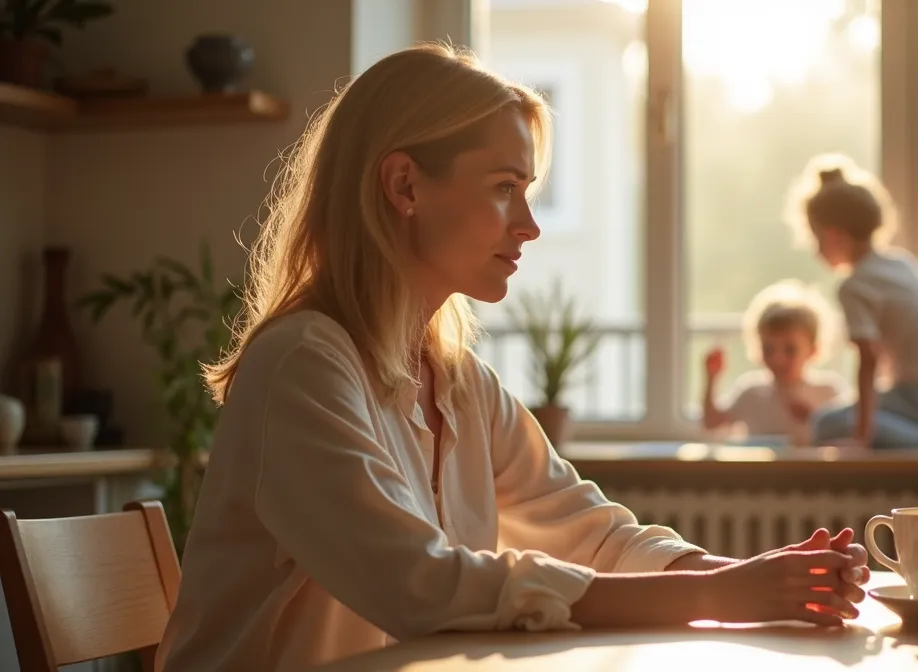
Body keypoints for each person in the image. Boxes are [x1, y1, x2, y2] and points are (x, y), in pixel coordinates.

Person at [155, 45, 871, 672]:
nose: (528, 226)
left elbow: (591, 531)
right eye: (504, 189)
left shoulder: (457, 380)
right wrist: (717, 594)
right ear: (403, 186)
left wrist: (747, 576)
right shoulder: (302, 365)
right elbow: (418, 586)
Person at [785, 154, 918, 448]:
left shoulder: (855, 285)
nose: (815, 251)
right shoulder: (899, 262)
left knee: (825, 424)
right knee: (849, 412)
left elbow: (868, 361)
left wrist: (861, 434)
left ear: (834, 236)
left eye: (815, 239)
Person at [701, 280, 847, 446]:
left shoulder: (828, 392)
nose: (777, 359)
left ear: (813, 350)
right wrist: (711, 378)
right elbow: (712, 423)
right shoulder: (751, 393)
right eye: (768, 349)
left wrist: (815, 418)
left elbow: (845, 438)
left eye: (790, 350)